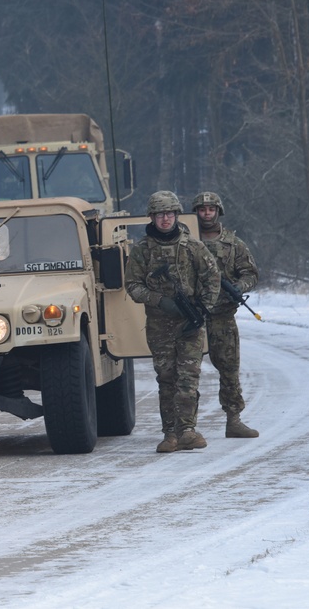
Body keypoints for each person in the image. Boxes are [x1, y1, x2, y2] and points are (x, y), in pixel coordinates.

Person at [126, 191, 220, 453]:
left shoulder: (193, 247)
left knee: (188, 377)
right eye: (160, 214)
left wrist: (203, 306)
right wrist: (158, 300)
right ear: (152, 217)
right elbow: (132, 285)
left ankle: (187, 430)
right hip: (160, 325)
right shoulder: (142, 250)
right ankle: (170, 433)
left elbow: (212, 277)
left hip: (190, 323)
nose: (165, 219)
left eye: (169, 214)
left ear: (177, 215)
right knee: (166, 378)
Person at [192, 192, 260, 438]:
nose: (206, 214)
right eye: (202, 209)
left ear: (218, 211)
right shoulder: (186, 241)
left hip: (222, 315)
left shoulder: (233, 243)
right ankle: (186, 426)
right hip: (192, 315)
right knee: (187, 372)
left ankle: (234, 419)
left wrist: (238, 288)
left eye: (211, 209)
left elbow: (251, 274)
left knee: (229, 369)